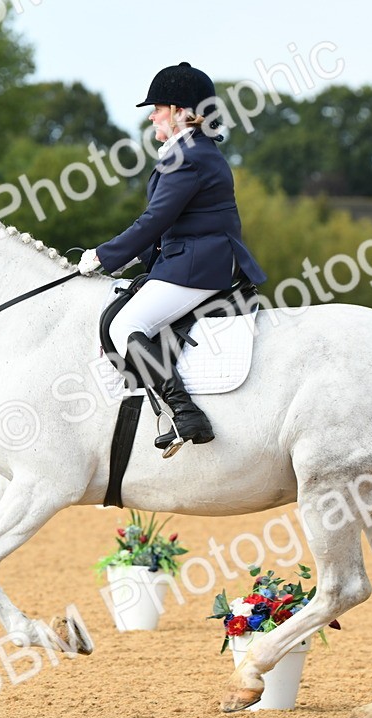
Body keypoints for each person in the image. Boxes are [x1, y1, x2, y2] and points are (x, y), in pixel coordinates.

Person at [79, 62, 267, 455]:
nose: (151, 116)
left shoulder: (191, 156)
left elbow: (155, 219)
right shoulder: (190, 152)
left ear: (183, 112)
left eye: (159, 108)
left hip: (200, 264)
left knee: (127, 324)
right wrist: (134, 260)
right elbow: (170, 226)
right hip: (188, 258)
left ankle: (185, 414)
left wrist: (103, 256)